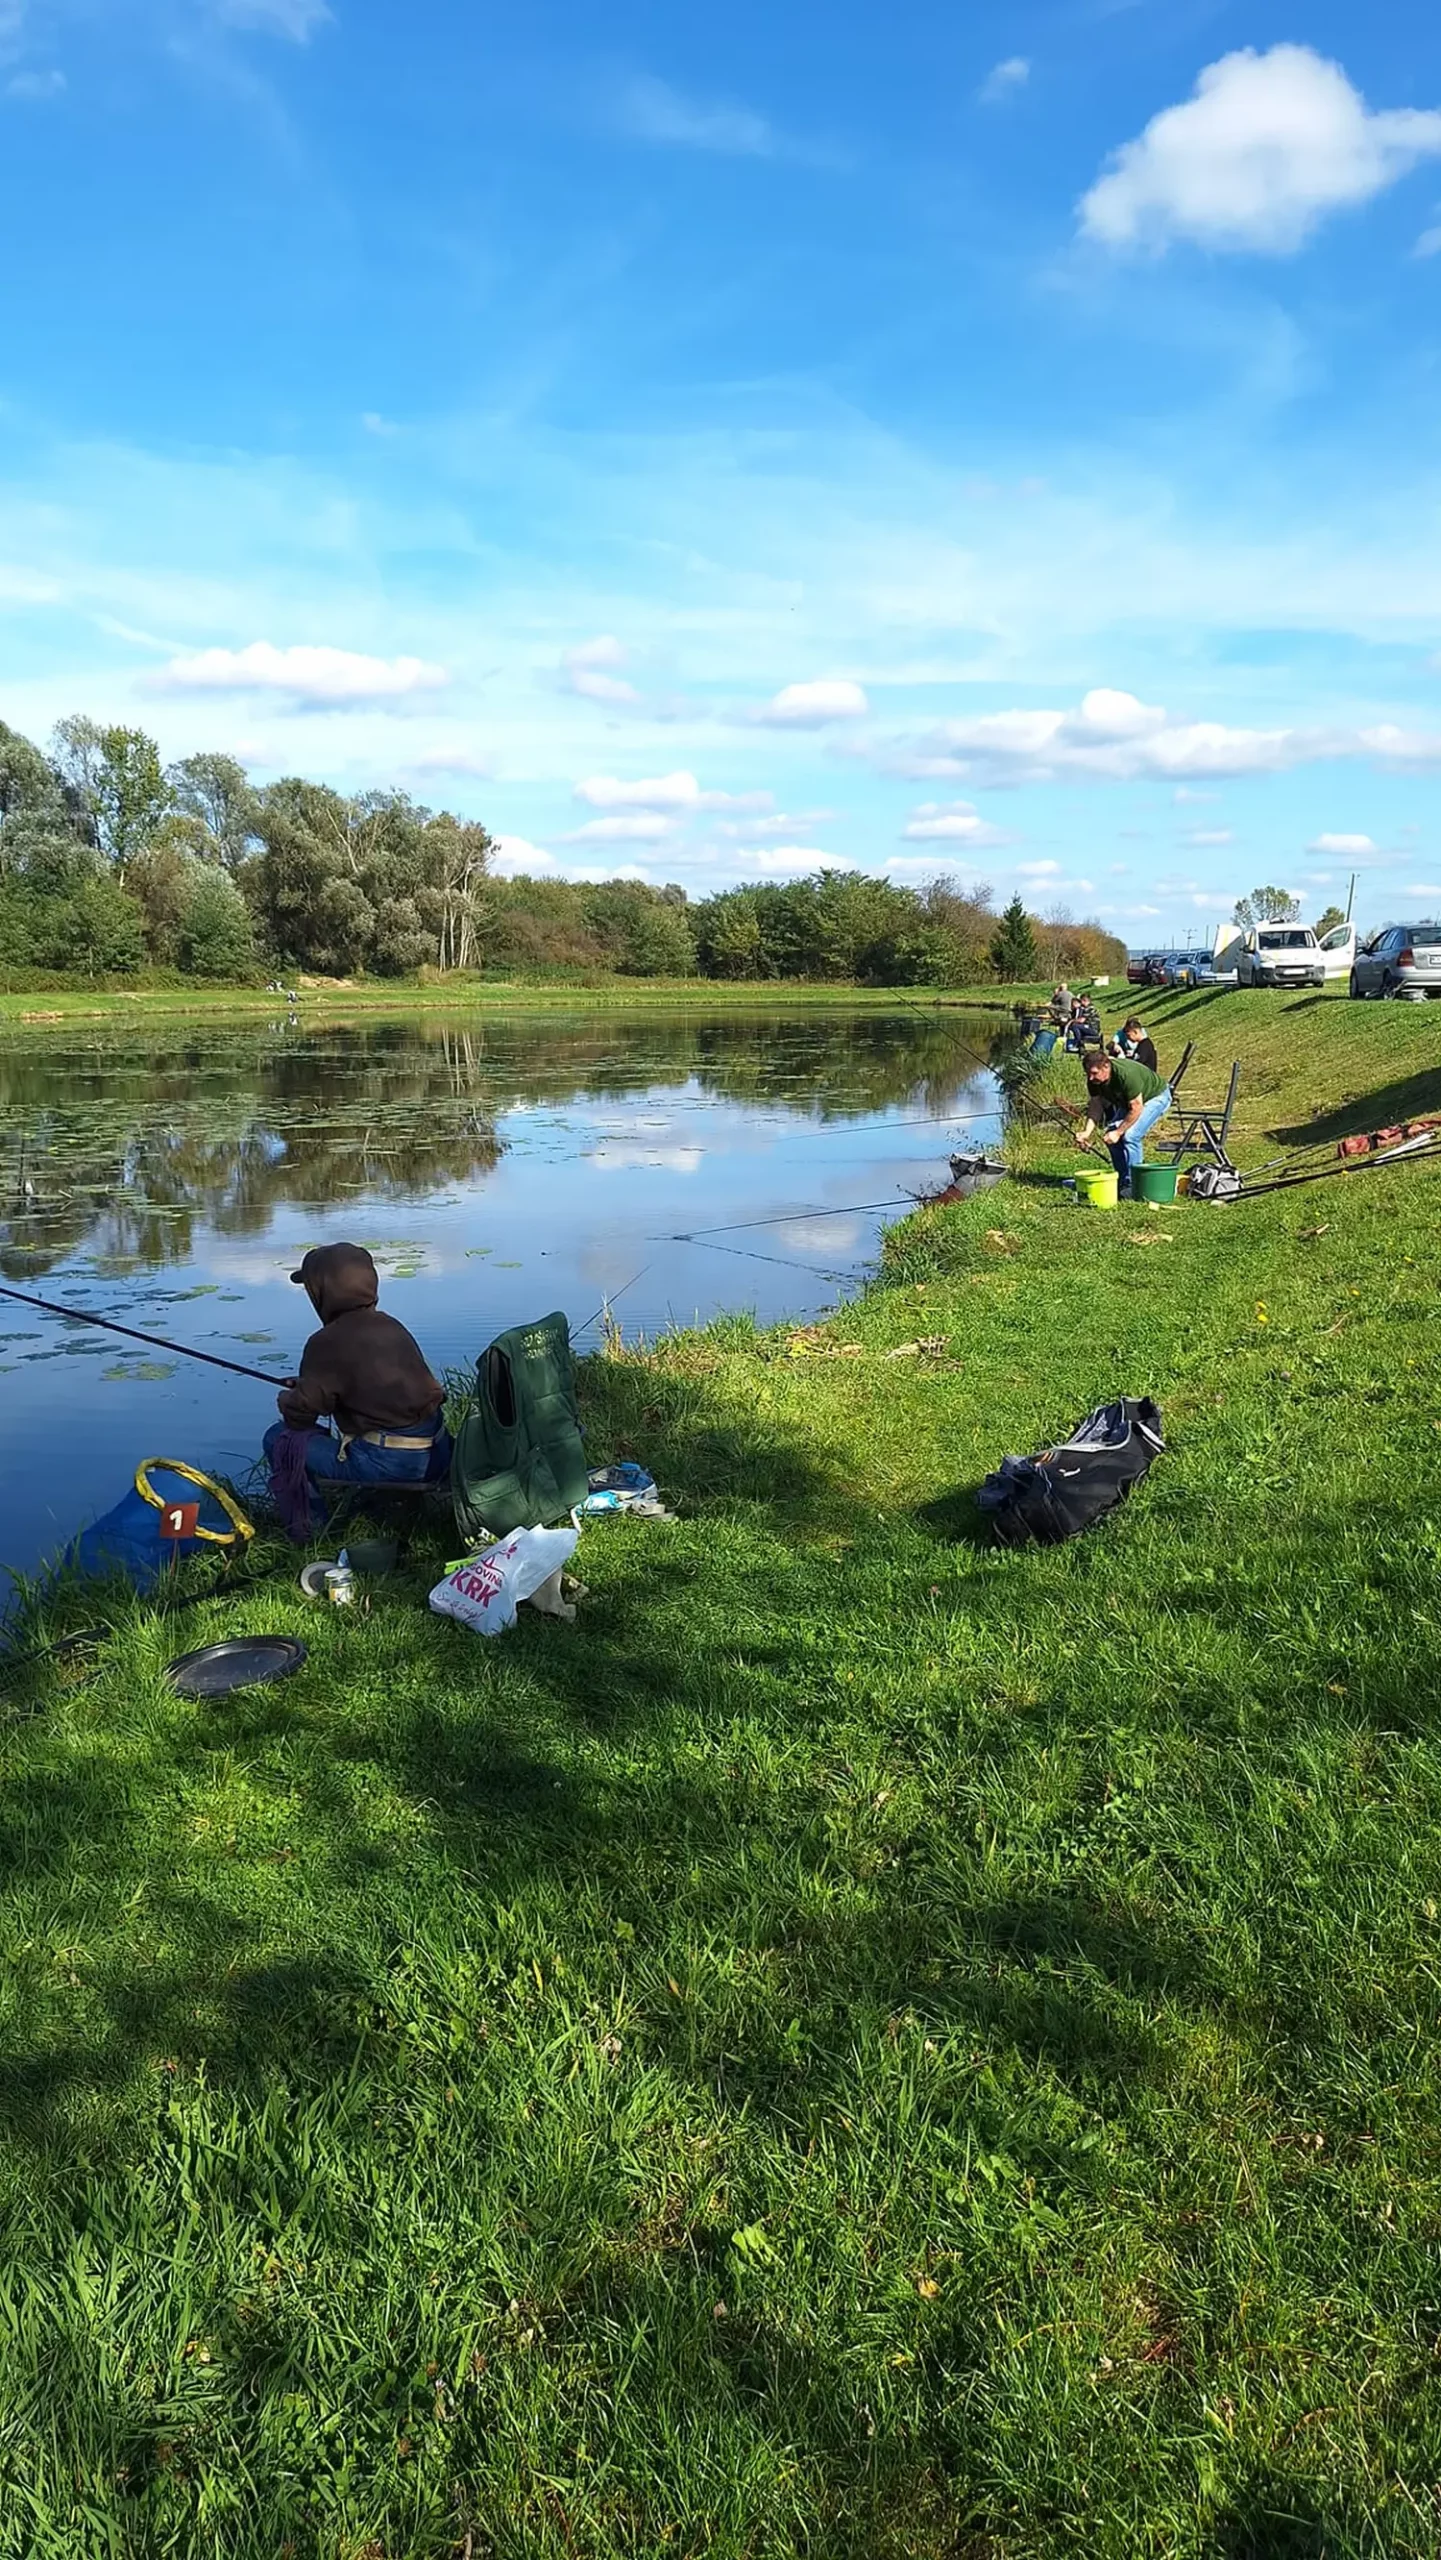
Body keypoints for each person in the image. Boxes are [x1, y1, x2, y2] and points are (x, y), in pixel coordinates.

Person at [262, 1242, 452, 1489]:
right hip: (439, 1453)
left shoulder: (325, 1342)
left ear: (323, 1291)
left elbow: (300, 1417)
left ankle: (310, 1523)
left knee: (278, 1438)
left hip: (391, 1464)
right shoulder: (391, 1326)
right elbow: (372, 1389)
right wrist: (310, 1387)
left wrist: (289, 1399)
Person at [1074, 1050, 1172, 1198]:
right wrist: (1087, 1132)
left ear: (1106, 1066)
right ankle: (1122, 1181)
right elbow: (1096, 1104)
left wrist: (1119, 1132)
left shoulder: (1126, 1075)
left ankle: (1135, 1185)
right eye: (1088, 1073)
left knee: (1131, 1136)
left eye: (1094, 1073)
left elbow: (1137, 1107)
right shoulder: (1094, 1080)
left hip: (1155, 1096)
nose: (1090, 1077)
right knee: (1110, 1135)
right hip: (1129, 1103)